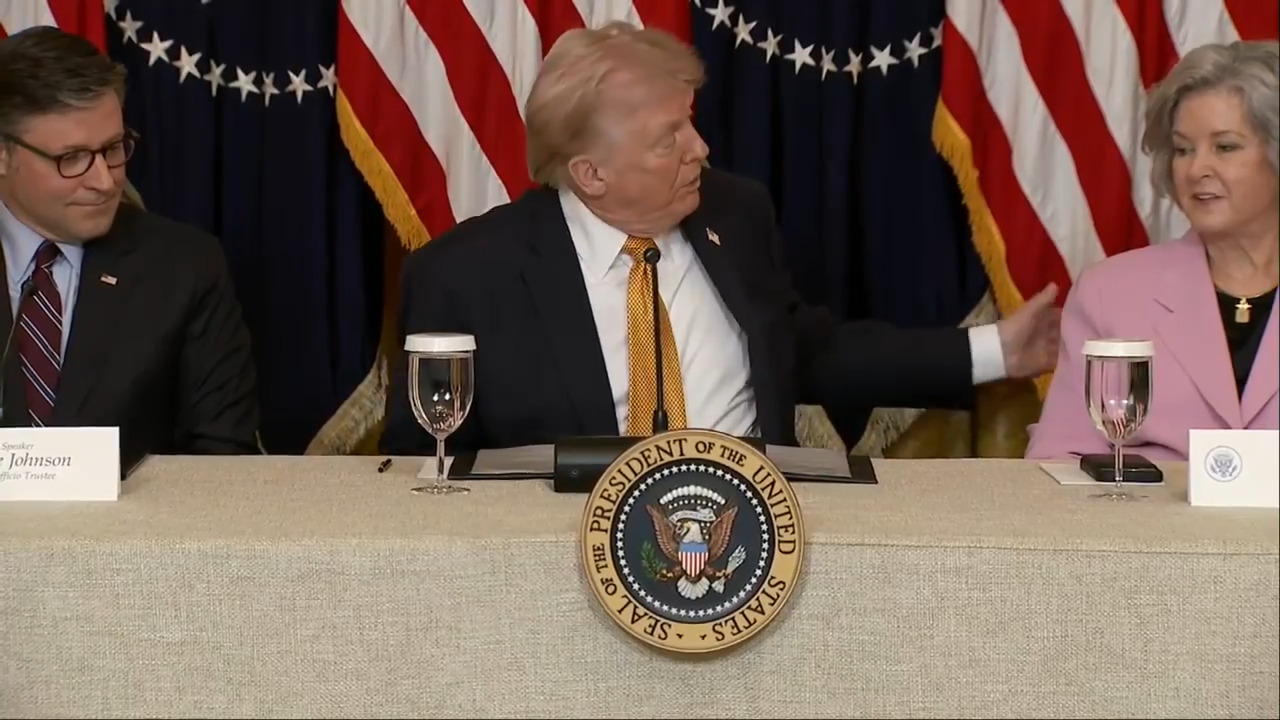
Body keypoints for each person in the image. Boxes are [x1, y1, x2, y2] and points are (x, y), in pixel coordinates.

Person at [380, 22, 1060, 456]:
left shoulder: (734, 215)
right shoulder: (465, 279)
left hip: (752, 543)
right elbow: (424, 472)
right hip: (562, 567)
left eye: (691, 123)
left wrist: (997, 349)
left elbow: (807, 353)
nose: (700, 149)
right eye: (668, 139)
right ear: (590, 174)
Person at [0, 27, 260, 465]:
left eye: (113, 149)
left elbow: (224, 458)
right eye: (72, 158)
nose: (105, 181)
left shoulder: (186, 267)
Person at [1026, 40, 1279, 462]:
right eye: (1183, 149)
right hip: (1146, 506)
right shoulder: (1111, 293)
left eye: (1225, 147)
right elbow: (1061, 456)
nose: (1196, 169)